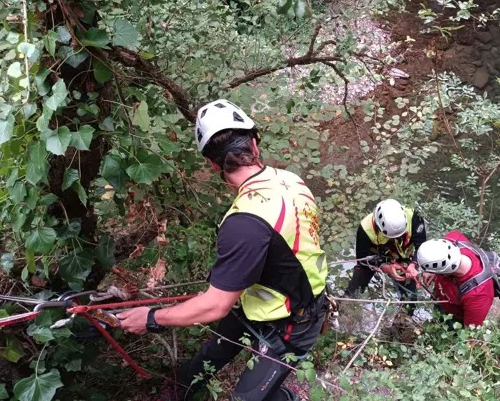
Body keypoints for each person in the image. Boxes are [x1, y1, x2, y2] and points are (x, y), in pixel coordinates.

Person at [117, 99, 328, 401]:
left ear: (213, 164)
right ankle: (178, 392)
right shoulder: (291, 180)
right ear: (254, 146)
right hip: (265, 302)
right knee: (211, 353)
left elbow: (215, 306)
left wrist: (151, 318)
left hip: (292, 322)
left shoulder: (244, 222)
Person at [344, 199, 426, 311]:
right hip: (375, 257)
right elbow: (362, 259)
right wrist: (385, 267)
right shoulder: (366, 228)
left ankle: (402, 322)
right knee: (353, 293)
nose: (396, 238)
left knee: (410, 298)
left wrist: (414, 264)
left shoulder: (414, 218)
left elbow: (421, 246)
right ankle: (343, 310)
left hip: (405, 257)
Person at [413, 230, 495, 328]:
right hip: (443, 301)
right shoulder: (453, 238)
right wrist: (430, 270)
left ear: (445, 272)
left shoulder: (478, 295)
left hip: (455, 319)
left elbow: (470, 336)